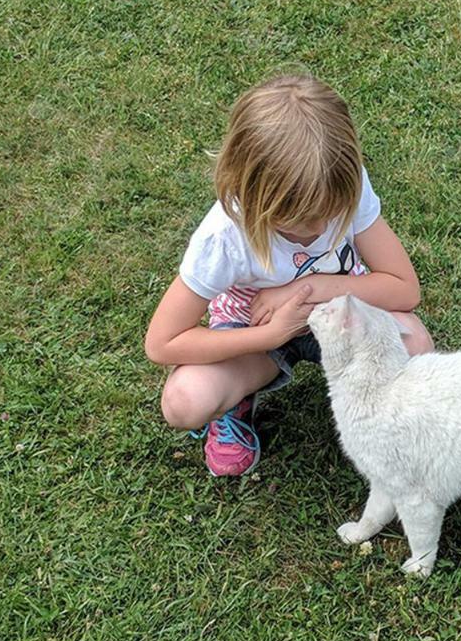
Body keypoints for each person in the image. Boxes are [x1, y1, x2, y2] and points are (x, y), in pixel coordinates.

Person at [144, 74, 434, 476]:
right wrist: (271, 335)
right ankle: (236, 403)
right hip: (254, 335)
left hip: (340, 318)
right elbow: (162, 343)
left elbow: (405, 289)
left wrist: (311, 287)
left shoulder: (343, 187)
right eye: (295, 222)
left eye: (330, 213)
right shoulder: (225, 236)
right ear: (250, 194)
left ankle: (381, 415)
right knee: (184, 400)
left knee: (415, 343)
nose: (318, 229)